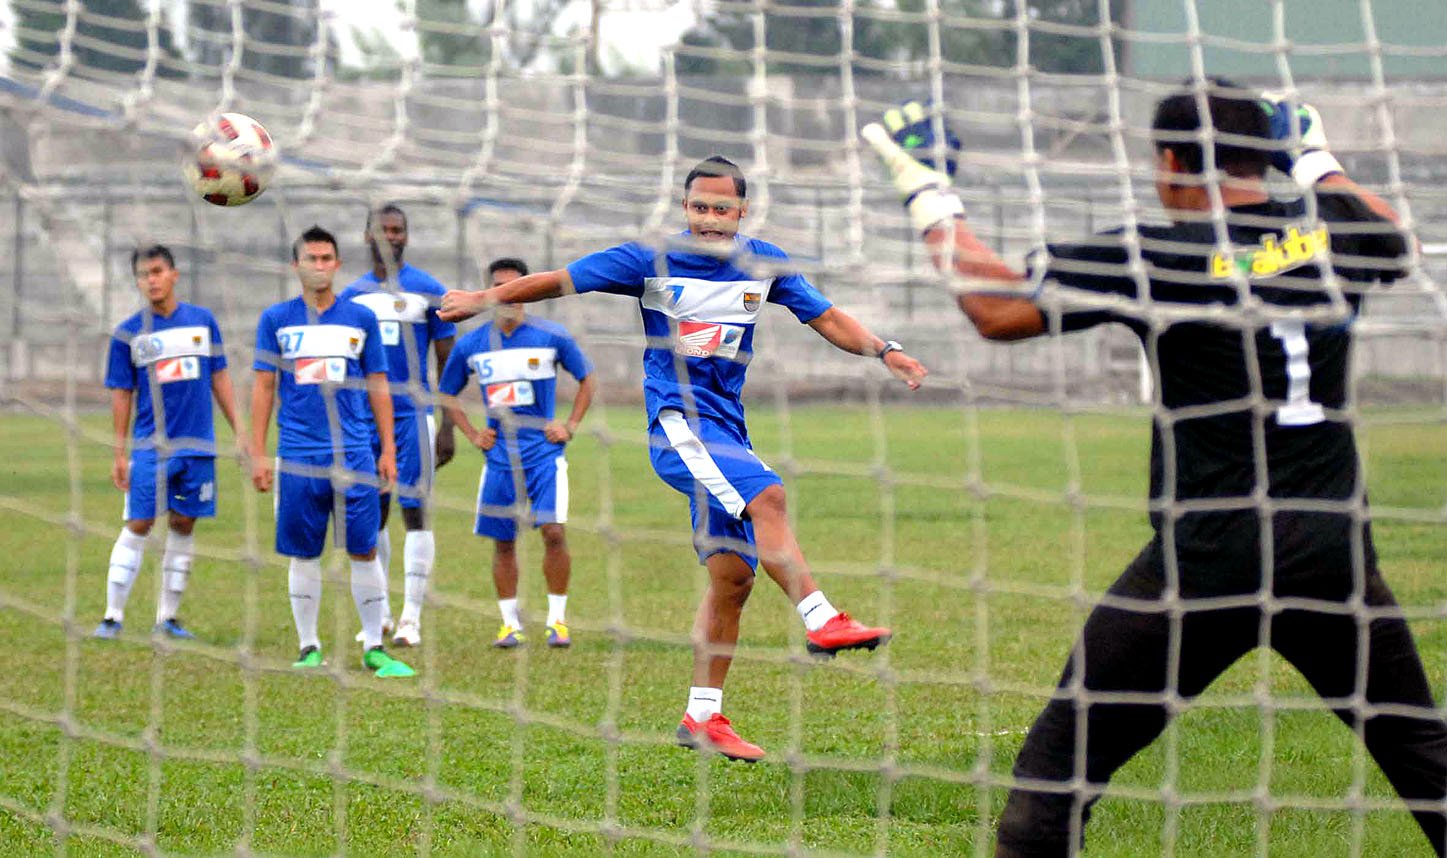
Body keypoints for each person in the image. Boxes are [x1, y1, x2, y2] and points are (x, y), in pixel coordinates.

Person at [864, 82, 1447, 856]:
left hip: (1206, 563)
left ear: (1170, 160)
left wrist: (928, 190)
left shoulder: (1157, 252)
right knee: (1423, 761)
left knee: (1056, 772)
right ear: (1265, 157)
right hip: (1331, 553)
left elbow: (994, 307)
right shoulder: (1334, 232)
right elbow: (1390, 235)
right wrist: (1313, 156)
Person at [440, 155, 928, 763]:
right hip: (679, 428)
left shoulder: (763, 264)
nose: (709, 219)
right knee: (769, 496)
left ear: (742, 212)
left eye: (722, 208)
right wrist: (486, 298)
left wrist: (887, 351)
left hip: (728, 430)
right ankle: (822, 618)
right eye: (699, 207)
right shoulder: (648, 260)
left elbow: (825, 317)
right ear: (685, 208)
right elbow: (563, 279)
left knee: (734, 579)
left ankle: (703, 717)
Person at [249, 225, 415, 678]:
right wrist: (257, 451)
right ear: (295, 266)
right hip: (299, 454)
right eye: (310, 259)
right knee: (304, 553)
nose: (318, 266)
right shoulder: (275, 320)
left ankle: (375, 648)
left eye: (326, 258)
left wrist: (388, 451)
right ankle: (308, 647)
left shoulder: (359, 318)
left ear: (338, 264)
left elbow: (379, 384)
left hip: (355, 452)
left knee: (363, 548)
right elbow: (264, 385)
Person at [438, 258, 596, 649]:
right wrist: (474, 434)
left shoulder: (551, 336)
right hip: (500, 458)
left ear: (526, 290)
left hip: (544, 453)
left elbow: (587, 379)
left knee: (554, 532)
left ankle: (557, 621)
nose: (507, 295)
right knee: (503, 540)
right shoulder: (472, 344)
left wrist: (569, 426)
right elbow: (445, 393)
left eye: (514, 286)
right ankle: (510, 624)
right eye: (498, 286)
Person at [96, 245, 248, 640]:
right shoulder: (129, 333)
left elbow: (219, 377)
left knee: (183, 523)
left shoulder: (202, 322)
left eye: (158, 271)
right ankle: (112, 616)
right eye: (144, 274)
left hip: (198, 446)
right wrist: (118, 452)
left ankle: (168, 618)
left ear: (174, 274)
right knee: (139, 522)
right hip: (151, 448)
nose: (152, 279)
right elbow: (121, 393)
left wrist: (241, 431)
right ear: (138, 281)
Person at [338, 203, 457, 648]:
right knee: (374, 512)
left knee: (416, 510)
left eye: (398, 229)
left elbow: (447, 361)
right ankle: (382, 611)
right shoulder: (351, 297)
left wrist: (447, 425)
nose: (392, 236)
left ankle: (412, 617)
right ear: (367, 235)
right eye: (383, 229)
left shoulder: (428, 290)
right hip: (365, 422)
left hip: (414, 417)